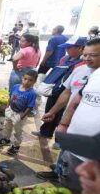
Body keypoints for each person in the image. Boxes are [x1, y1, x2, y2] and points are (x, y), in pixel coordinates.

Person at [36, 38, 100, 181]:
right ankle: (59, 172)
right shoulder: (79, 70)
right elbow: (67, 93)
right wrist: (53, 113)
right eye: (86, 54)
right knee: (66, 153)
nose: (88, 58)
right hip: (72, 124)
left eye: (93, 55)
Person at [33, 36, 87, 139]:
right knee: (50, 110)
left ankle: (59, 139)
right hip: (55, 89)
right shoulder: (64, 58)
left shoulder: (83, 63)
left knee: (62, 115)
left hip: (70, 92)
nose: (66, 50)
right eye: (66, 47)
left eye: (70, 47)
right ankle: (45, 132)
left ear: (80, 48)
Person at [0, 70, 38, 155]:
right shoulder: (16, 86)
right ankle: (6, 139)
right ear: (22, 78)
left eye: (30, 80)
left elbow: (30, 106)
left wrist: (22, 116)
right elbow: (10, 96)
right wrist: (7, 107)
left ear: (34, 81)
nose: (27, 81)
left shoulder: (32, 93)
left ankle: (16, 146)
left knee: (18, 131)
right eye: (25, 79)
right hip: (11, 110)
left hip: (20, 114)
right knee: (7, 126)